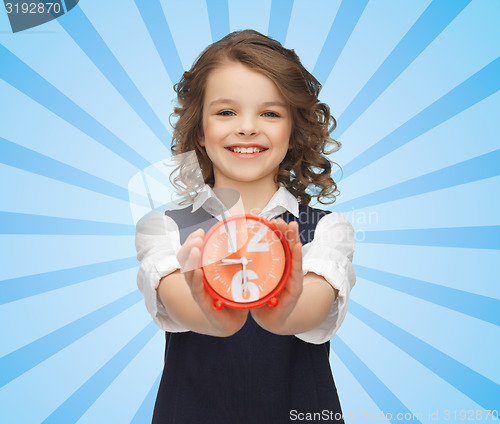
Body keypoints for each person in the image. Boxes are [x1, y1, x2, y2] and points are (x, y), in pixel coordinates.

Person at [135, 30, 356, 423]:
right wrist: (215, 317)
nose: (248, 128)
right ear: (200, 131)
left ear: (293, 131)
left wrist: (282, 313)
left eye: (270, 113)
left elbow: (313, 306)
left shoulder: (326, 230)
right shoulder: (165, 229)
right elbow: (179, 302)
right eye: (226, 112)